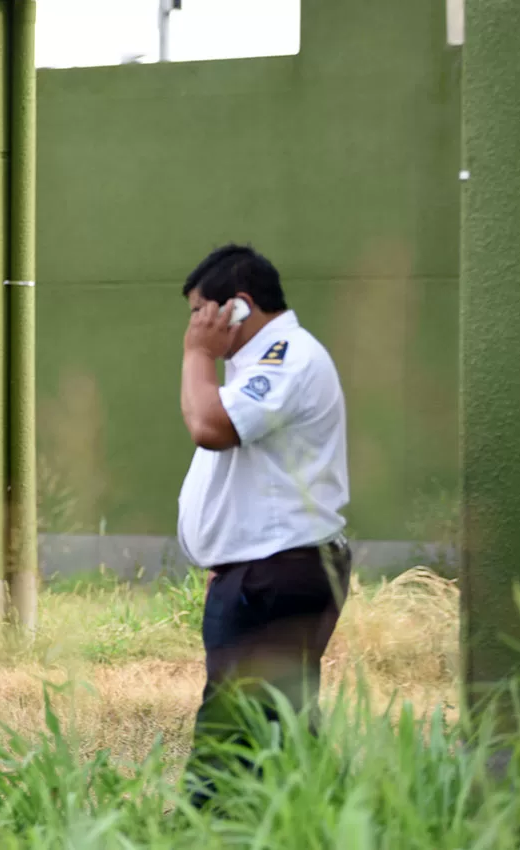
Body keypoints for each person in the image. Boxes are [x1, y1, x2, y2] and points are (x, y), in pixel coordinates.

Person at [175, 244, 351, 808]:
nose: (196, 326)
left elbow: (210, 426)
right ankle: (328, 819)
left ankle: (202, 828)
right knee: (281, 720)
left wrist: (198, 356)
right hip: (258, 570)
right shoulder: (260, 363)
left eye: (202, 311)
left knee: (232, 720)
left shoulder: (286, 357)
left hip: (277, 571)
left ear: (240, 308)